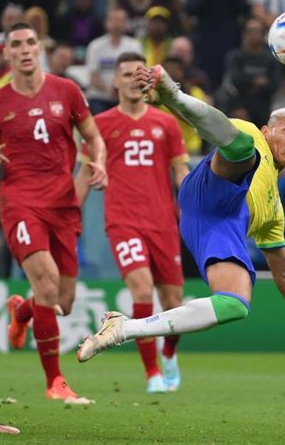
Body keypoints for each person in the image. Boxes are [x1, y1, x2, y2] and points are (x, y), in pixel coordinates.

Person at [77, 64, 285, 363]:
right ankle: (175, 91)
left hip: (218, 225)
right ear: (266, 130)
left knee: (236, 304)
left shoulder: (275, 211)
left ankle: (122, 328)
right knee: (243, 149)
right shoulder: (251, 133)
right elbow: (207, 124)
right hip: (207, 189)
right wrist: (172, 101)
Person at [0, 21, 108, 402]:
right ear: (7, 53)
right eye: (18, 44)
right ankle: (55, 383)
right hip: (19, 202)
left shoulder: (67, 90)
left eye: (32, 42)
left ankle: (22, 311)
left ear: (39, 48)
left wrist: (99, 163)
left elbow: (94, 137)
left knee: (62, 302)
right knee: (46, 284)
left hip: (63, 203)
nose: (26, 49)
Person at [74, 52, 189, 392]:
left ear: (147, 80)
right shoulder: (100, 127)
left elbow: (180, 171)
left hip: (163, 222)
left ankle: (168, 353)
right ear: (115, 81)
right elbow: (84, 174)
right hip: (123, 219)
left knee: (174, 302)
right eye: (125, 74)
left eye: (138, 74)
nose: (132, 80)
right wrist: (68, 217)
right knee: (140, 289)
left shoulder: (166, 123)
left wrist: (194, 207)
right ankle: (152, 372)